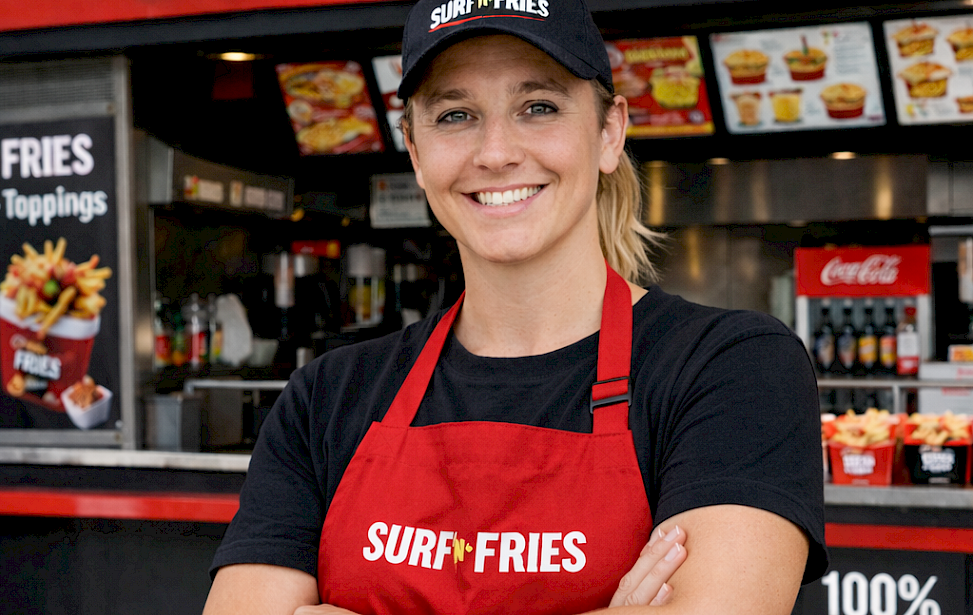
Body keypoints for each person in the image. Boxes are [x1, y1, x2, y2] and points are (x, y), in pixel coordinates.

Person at [203, 0, 828, 613]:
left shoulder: (733, 369)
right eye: (455, 116)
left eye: (539, 107)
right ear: (415, 152)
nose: (496, 152)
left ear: (609, 133)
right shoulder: (326, 397)